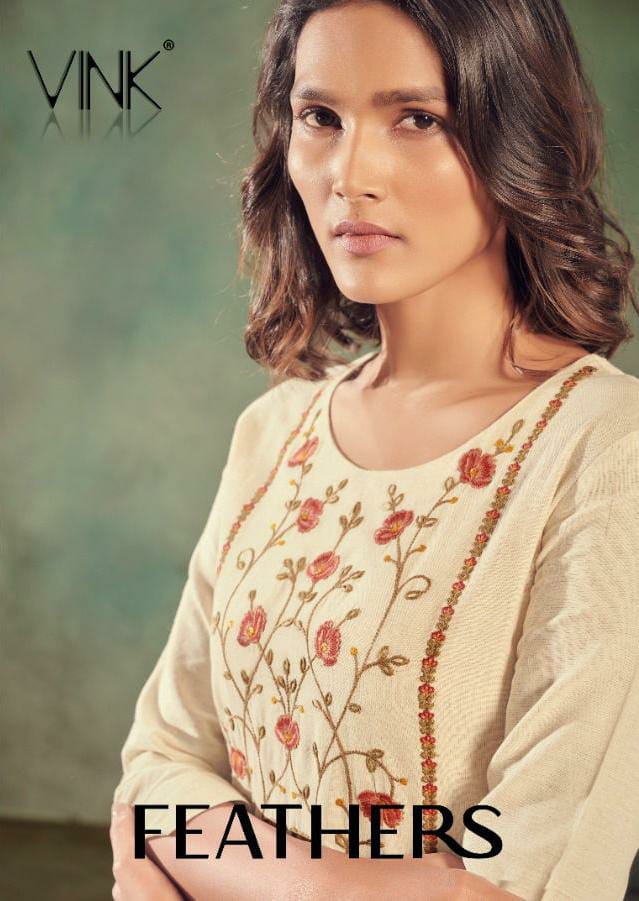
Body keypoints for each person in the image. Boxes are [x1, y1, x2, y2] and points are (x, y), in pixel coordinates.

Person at [110, 1, 639, 898]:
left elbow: (525, 881)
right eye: (320, 116)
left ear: (521, 135)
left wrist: (228, 865)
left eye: (416, 119)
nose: (349, 175)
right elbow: (156, 769)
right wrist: (343, 882)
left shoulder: (603, 451)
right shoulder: (274, 432)